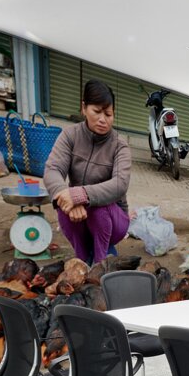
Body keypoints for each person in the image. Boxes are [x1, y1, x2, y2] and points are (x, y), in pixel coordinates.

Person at [43, 80, 131, 265]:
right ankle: (81, 259)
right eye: (97, 111)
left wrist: (80, 194)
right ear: (84, 107)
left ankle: (100, 265)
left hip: (114, 221)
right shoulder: (70, 135)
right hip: (79, 216)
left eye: (108, 114)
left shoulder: (119, 145)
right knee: (62, 203)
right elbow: (53, 170)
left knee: (96, 206)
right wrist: (68, 197)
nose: (103, 119)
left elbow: (120, 184)